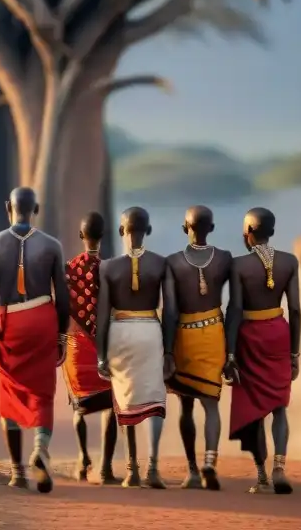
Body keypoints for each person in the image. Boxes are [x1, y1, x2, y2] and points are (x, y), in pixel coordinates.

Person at [0, 187, 68, 493]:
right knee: (43, 391)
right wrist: (62, 337)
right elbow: (64, 298)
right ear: (36, 209)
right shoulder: (53, 246)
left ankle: (17, 472)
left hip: (10, 323)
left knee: (10, 393)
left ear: (8, 208)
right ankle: (40, 449)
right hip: (43, 319)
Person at [225, 207, 301, 495]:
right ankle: (279, 467)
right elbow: (295, 310)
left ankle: (261, 476)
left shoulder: (239, 265)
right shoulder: (289, 262)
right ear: (271, 231)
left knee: (253, 409)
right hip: (279, 335)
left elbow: (234, 309)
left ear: (248, 233)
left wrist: (229, 354)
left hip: (249, 338)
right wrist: (294, 354)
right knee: (279, 405)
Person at [96, 206, 173, 489]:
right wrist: (169, 350)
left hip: (120, 332)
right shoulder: (161, 264)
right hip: (151, 331)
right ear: (148, 231)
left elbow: (103, 313)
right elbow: (171, 310)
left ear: (121, 231)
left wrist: (101, 353)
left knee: (125, 399)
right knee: (154, 399)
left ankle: (132, 471)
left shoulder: (108, 267)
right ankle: (153, 467)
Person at [164, 206, 234, 490]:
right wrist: (231, 351)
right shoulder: (226, 259)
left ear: (185, 229)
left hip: (184, 336)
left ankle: (192, 471)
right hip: (214, 333)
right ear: (212, 229)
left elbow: (169, 310)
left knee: (185, 406)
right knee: (212, 404)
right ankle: (210, 462)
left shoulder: (172, 262)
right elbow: (236, 306)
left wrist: (167, 351)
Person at [61, 211, 120, 485]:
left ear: (81, 236)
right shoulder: (110, 269)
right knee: (111, 406)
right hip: (104, 347)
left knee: (78, 407)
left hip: (75, 347)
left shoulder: (67, 270)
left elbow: (62, 310)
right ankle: (106, 467)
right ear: (103, 237)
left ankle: (83, 458)